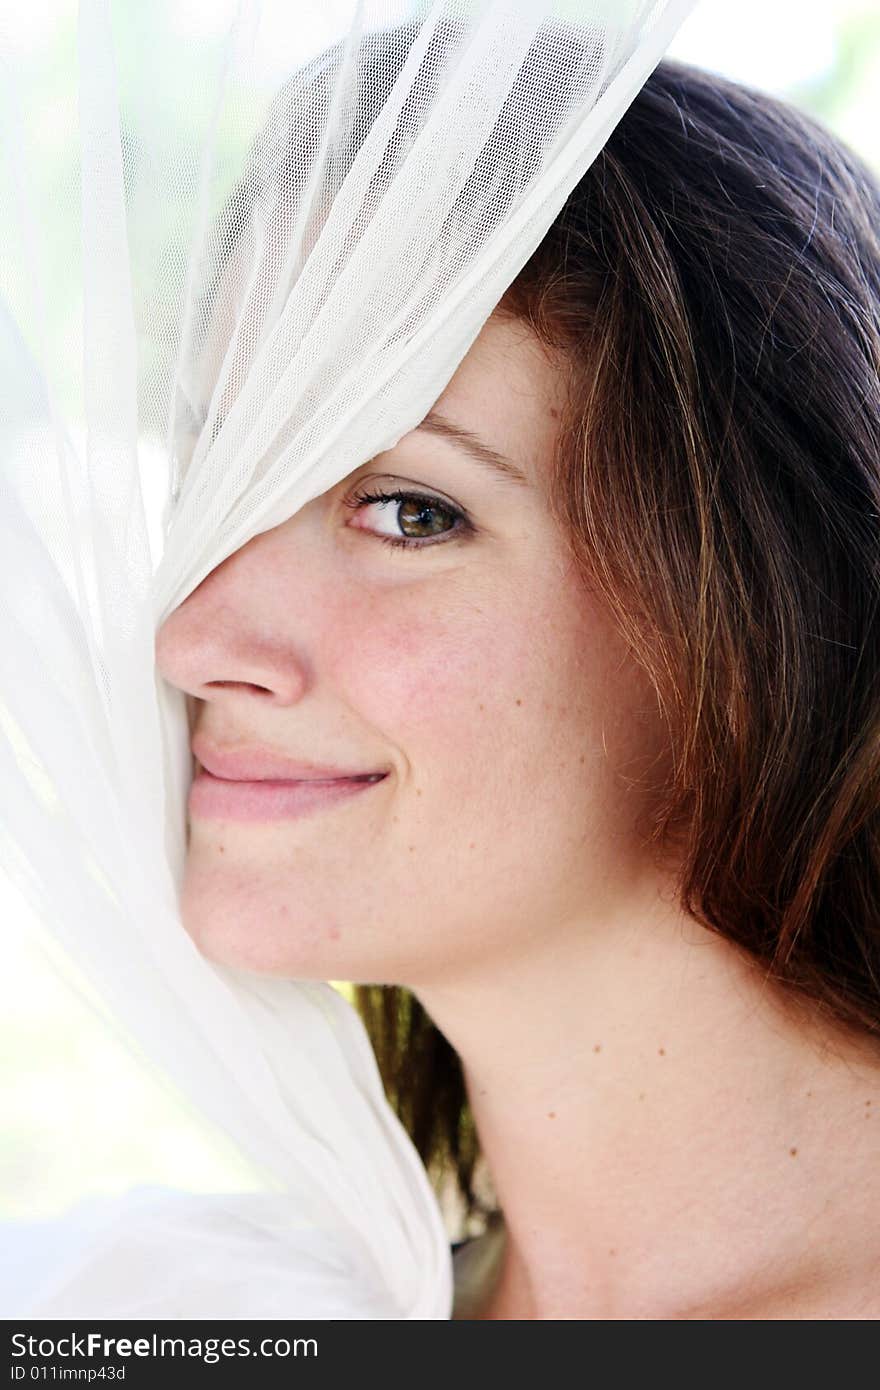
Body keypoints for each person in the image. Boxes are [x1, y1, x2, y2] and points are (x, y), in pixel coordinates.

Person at [155, 56, 880, 1319]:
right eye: (221, 479)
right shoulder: (190, 1305)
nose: (195, 637)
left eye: (407, 509)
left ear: (755, 609)